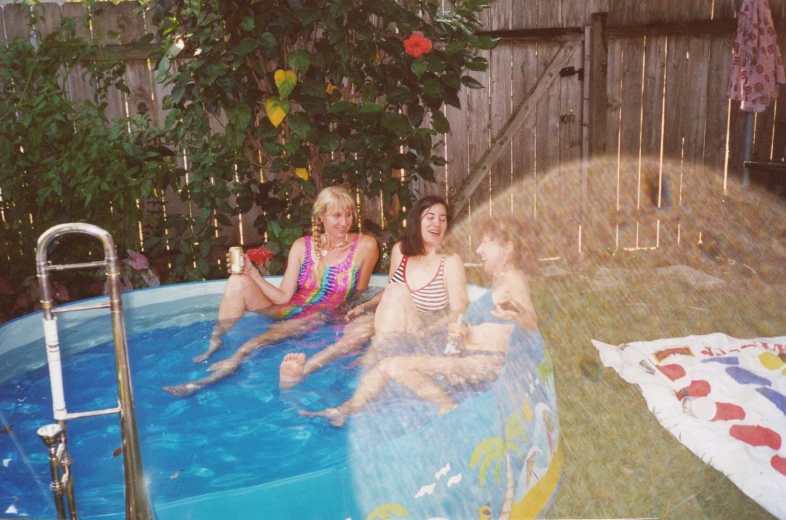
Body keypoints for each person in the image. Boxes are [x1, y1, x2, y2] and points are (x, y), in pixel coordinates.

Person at [300, 214, 538, 426]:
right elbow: (496, 326)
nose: (479, 250)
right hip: (470, 354)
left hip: (485, 363)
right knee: (386, 366)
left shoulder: (513, 278)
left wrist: (519, 314)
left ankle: (448, 407)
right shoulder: (501, 282)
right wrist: (465, 333)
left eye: (487, 242)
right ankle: (343, 410)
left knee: (394, 366)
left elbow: (532, 322)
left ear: (507, 247)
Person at [164, 186, 379, 396]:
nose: (344, 223)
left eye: (349, 215)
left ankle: (217, 372)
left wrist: (346, 315)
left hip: (322, 316)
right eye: (337, 216)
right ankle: (216, 340)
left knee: (258, 343)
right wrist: (252, 272)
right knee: (237, 281)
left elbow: (360, 293)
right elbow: (284, 296)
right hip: (289, 309)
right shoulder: (301, 246)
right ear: (321, 216)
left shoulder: (365, 246)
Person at [278, 195, 468, 389]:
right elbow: (390, 291)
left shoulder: (451, 261)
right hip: (391, 319)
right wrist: (366, 306)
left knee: (380, 335)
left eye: (442, 218)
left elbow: (458, 312)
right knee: (347, 342)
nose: (437, 223)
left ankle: (360, 376)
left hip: (422, 326)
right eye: (430, 217)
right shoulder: (401, 251)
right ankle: (300, 372)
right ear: (417, 221)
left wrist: (428, 330)